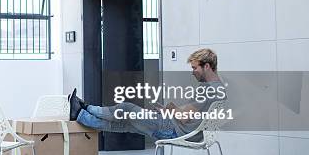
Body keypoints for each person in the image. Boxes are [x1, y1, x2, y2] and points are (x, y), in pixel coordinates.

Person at [70, 48, 226, 142]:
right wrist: (171, 110)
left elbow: (184, 117)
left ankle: (87, 108)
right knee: (126, 124)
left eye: (195, 68)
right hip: (187, 132)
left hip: (173, 130)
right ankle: (81, 115)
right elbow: (193, 115)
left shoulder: (207, 89)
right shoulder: (219, 89)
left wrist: (169, 111)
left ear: (207, 66)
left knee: (126, 107)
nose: (193, 72)